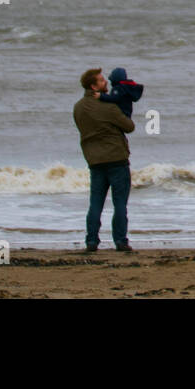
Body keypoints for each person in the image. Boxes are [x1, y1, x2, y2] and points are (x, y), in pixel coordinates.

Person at [73, 68, 136, 252]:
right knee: (120, 204)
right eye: (101, 81)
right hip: (116, 158)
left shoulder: (78, 107)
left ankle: (92, 241)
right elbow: (129, 126)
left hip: (94, 160)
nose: (105, 83)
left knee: (95, 204)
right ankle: (120, 241)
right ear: (93, 86)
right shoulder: (109, 106)